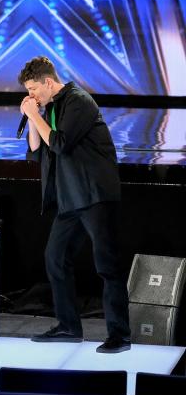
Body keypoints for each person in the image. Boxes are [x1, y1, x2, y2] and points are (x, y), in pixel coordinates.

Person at [18, 56, 130, 354]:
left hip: (94, 195)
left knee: (107, 265)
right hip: (70, 197)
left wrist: (36, 116)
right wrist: (33, 117)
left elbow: (60, 143)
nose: (31, 95)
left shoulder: (79, 101)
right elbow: (36, 148)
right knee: (55, 258)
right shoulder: (50, 107)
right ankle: (69, 327)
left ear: (48, 82)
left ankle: (120, 334)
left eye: (33, 88)